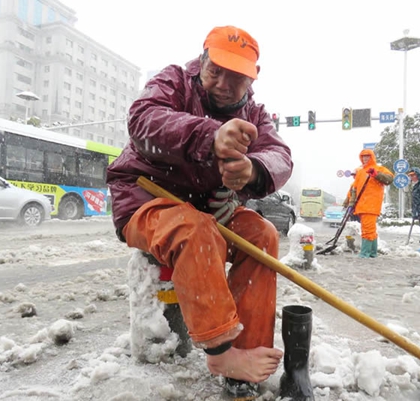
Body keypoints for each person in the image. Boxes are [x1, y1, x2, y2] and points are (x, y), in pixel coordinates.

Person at [106, 26, 295, 398]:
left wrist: (253, 170)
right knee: (195, 230)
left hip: (211, 210)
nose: (223, 84)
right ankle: (221, 352)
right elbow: (144, 119)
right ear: (202, 61)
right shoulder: (174, 81)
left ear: (253, 78)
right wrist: (211, 136)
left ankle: (246, 352)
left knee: (262, 235)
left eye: (236, 77)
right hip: (146, 201)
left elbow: (280, 156)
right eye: (215, 71)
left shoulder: (255, 115)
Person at [343, 149, 394, 258]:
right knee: (370, 229)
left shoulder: (379, 169)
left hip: (371, 205)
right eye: (363, 156)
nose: (365, 158)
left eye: (367, 156)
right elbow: (354, 189)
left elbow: (389, 179)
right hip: (362, 205)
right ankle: (372, 253)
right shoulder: (361, 172)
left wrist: (376, 174)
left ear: (372, 157)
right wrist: (351, 204)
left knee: (367, 229)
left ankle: (365, 253)